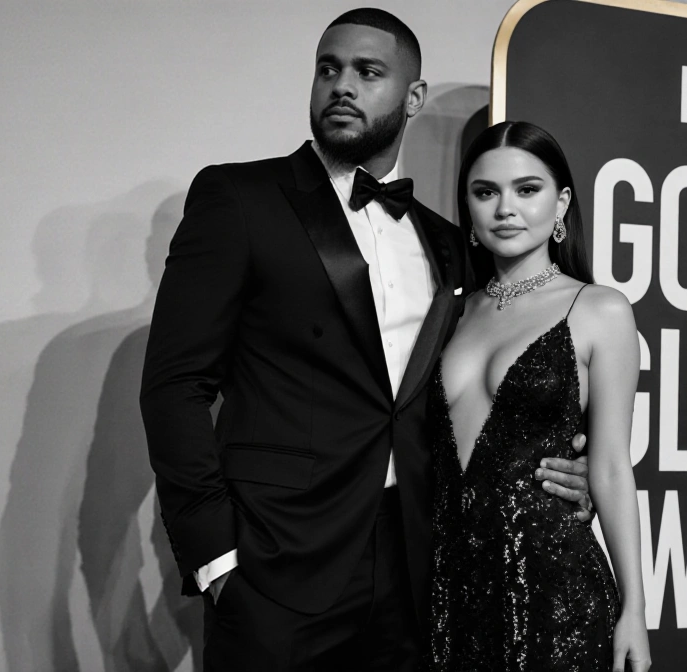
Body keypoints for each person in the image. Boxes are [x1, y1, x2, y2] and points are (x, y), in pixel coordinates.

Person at [139, 9, 594, 670]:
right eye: (328, 69)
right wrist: (215, 555)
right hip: (278, 562)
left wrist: (558, 461)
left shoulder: (444, 240)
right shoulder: (241, 198)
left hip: (415, 561)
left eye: (367, 72)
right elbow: (175, 385)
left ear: (412, 97)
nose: (341, 86)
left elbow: (476, 387)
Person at [429, 121, 653, 672]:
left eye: (527, 190)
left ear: (562, 203)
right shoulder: (450, 312)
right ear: (469, 209)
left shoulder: (600, 309)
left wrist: (635, 610)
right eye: (486, 192)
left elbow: (610, 469)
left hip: (555, 588)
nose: (506, 208)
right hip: (448, 587)